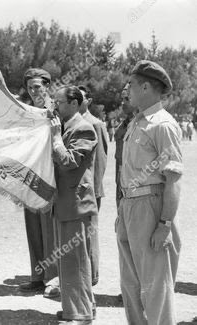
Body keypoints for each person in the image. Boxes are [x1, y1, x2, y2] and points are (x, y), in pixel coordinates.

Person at [117, 60, 182, 324]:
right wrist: (123, 210)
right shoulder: (136, 122)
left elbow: (173, 180)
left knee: (156, 288)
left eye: (130, 84)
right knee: (130, 285)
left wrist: (165, 224)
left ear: (145, 86)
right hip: (130, 206)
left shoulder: (162, 125)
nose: (126, 89)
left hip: (151, 205)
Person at [49, 86, 97, 324]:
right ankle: (77, 308)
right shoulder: (67, 127)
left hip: (77, 205)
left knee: (76, 261)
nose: (55, 106)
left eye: (59, 102)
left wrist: (56, 138)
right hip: (65, 203)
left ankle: (81, 314)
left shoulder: (84, 128)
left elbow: (69, 161)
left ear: (75, 103)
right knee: (68, 262)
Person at [17, 68, 59, 298]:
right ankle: (37, 276)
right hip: (30, 176)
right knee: (33, 226)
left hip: (50, 175)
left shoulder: (55, 110)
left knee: (49, 228)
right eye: (30, 87)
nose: (34, 91)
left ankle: (52, 278)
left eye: (38, 87)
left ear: (47, 86)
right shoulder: (27, 112)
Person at [78, 85, 108, 287]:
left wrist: (94, 189)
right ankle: (79, 275)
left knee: (89, 233)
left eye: (80, 98)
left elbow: (101, 160)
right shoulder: (71, 122)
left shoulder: (95, 123)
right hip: (73, 189)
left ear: (88, 100)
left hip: (90, 190)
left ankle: (92, 275)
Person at [114, 84, 136, 208]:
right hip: (121, 183)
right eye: (122, 99)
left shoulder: (145, 126)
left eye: (127, 99)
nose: (123, 103)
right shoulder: (121, 128)